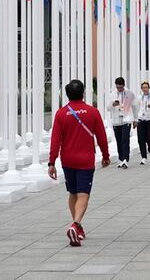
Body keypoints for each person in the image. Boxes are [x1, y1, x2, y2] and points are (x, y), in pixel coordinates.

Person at [48, 80, 110, 247]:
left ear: (67, 94)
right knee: (83, 194)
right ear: (83, 92)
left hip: (67, 159)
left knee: (73, 193)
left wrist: (51, 162)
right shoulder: (92, 112)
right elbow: (101, 136)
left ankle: (78, 225)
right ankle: (75, 224)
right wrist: (105, 155)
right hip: (85, 159)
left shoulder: (61, 113)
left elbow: (55, 139)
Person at [106, 77, 138, 169]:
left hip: (127, 119)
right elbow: (108, 108)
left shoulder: (129, 94)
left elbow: (135, 106)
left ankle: (125, 159)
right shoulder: (112, 94)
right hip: (116, 120)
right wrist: (113, 104)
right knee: (119, 140)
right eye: (117, 87)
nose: (119, 89)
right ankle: (121, 159)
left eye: (120, 87)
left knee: (125, 139)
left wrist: (135, 119)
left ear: (124, 85)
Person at [136, 82, 150, 165]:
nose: (145, 89)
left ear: (149, 88)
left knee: (149, 138)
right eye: (143, 87)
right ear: (141, 89)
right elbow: (136, 108)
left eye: (146, 87)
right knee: (141, 139)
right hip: (141, 119)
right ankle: (144, 157)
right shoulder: (139, 97)